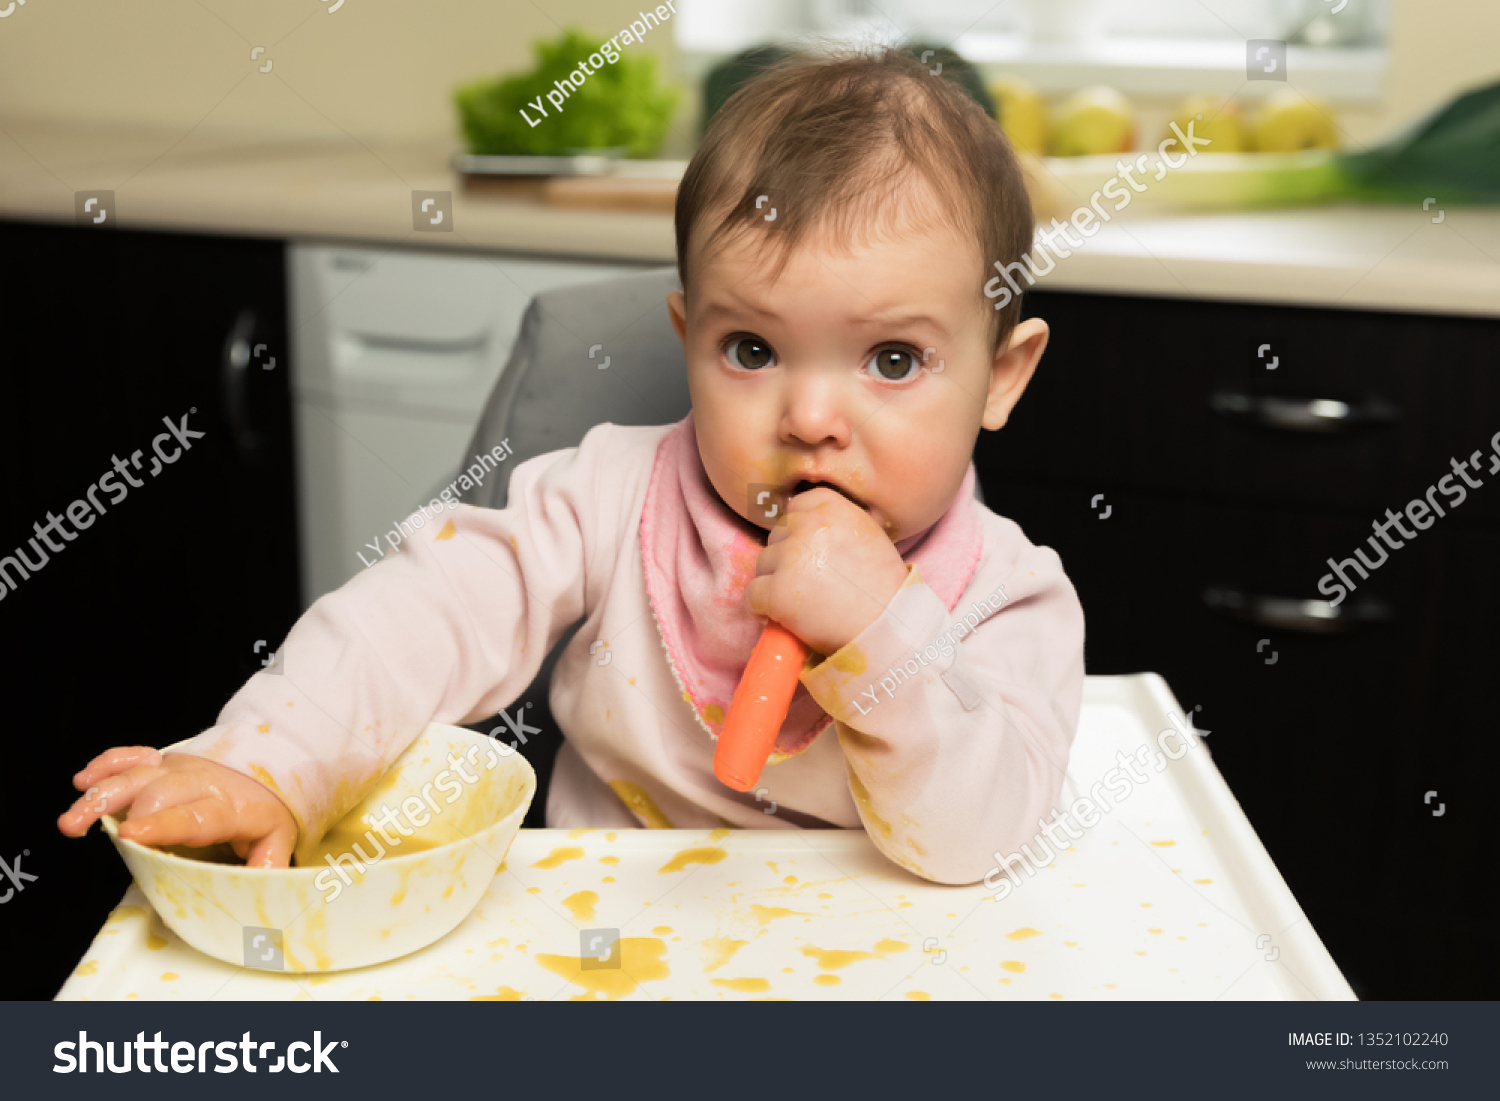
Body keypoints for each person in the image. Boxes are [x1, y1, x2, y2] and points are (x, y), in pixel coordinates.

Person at [59, 45, 1084, 885]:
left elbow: (975, 842)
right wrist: (273, 759)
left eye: (892, 360)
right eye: (753, 350)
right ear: (688, 338)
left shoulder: (1008, 598)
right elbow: (420, 612)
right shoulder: (606, 496)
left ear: (1002, 377)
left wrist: (879, 634)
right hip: (602, 948)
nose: (811, 418)